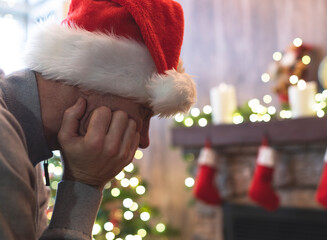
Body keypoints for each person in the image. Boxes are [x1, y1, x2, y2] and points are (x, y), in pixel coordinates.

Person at [0, 0, 196, 239]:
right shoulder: (4, 145)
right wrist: (85, 185)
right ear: (94, 84)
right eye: (144, 112)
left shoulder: (24, 145)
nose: (144, 140)